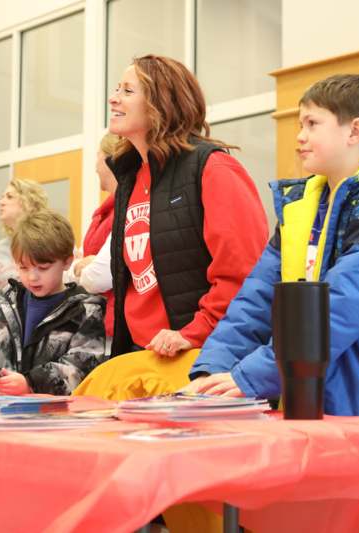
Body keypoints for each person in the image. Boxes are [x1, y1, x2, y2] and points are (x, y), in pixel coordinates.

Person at [182, 74, 359, 437]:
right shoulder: (302, 206)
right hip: (317, 406)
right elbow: (257, 298)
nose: (300, 136)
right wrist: (211, 372)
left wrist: (250, 376)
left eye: (312, 124)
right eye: (299, 124)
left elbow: (343, 305)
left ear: (354, 131)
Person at [74, 54, 267, 401]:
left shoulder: (214, 169)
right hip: (141, 353)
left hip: (199, 355)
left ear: (160, 103)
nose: (113, 97)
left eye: (128, 90)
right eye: (117, 88)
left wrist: (194, 332)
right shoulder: (130, 177)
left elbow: (245, 276)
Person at [0, 209, 107, 396]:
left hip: (55, 418)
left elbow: (82, 367)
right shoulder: (3, 303)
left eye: (43, 268)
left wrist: (30, 384)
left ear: (67, 262)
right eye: (23, 267)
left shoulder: (86, 309)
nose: (32, 277)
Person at [67, 133, 120, 340]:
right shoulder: (103, 213)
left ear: (109, 159)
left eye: (97, 155)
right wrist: (84, 264)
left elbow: (100, 277)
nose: (95, 167)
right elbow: (77, 266)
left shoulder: (125, 210)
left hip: (111, 326)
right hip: (94, 322)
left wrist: (88, 264)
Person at [0, 178, 50, 292]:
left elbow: (66, 278)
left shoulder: (53, 240)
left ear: (29, 203)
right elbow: (5, 285)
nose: (1, 202)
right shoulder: (2, 247)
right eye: (2, 197)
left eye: (9, 196)